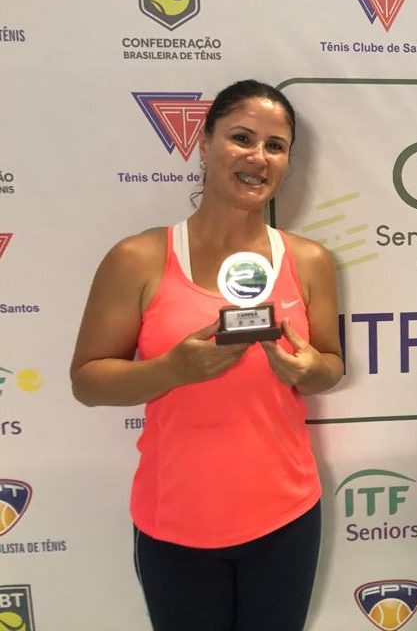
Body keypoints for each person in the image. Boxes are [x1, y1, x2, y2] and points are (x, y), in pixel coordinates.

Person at [71, 79, 343, 631]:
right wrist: (173, 370)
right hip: (175, 523)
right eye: (241, 138)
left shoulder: (310, 260)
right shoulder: (138, 258)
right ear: (204, 142)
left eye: (275, 146)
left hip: (286, 518)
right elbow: (87, 382)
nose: (258, 157)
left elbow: (331, 366)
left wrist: (310, 369)